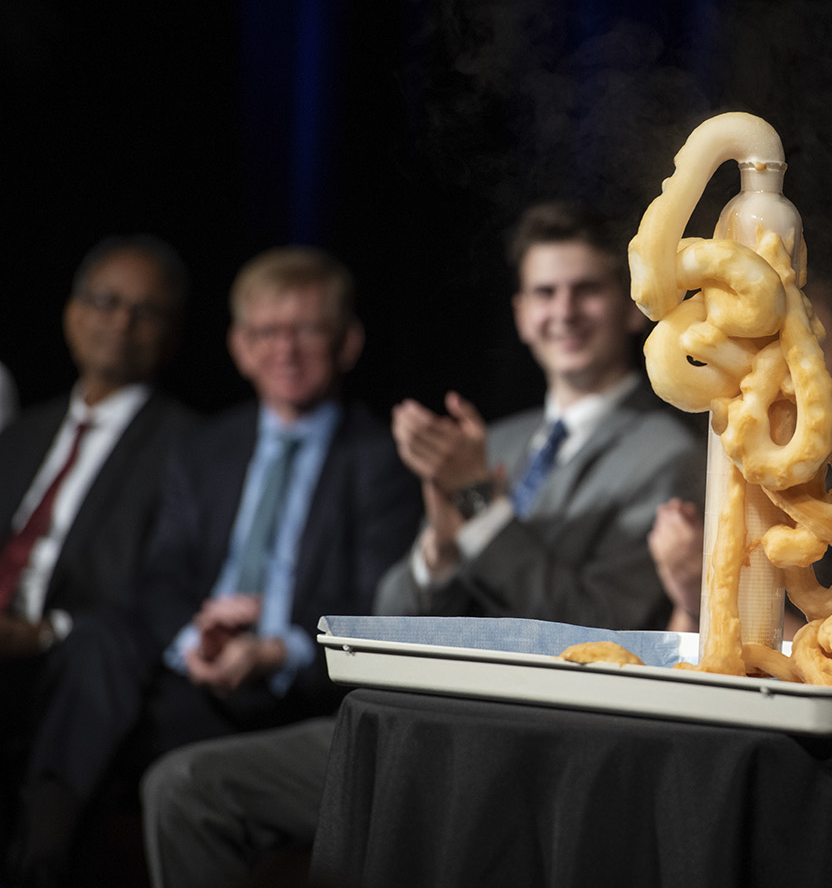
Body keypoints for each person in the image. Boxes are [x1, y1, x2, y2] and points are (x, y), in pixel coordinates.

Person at [139, 201, 706, 888]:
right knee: (184, 786)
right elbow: (394, 610)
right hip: (417, 718)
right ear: (522, 314)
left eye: (587, 288)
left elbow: (593, 628)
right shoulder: (494, 441)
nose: (565, 310)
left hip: (526, 738)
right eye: (545, 292)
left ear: (632, 308)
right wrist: (439, 545)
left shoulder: (667, 453)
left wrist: (477, 506)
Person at [7, 246, 422, 888]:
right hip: (197, 673)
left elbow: (374, 605)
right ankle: (40, 858)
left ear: (347, 342)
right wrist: (195, 638)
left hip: (296, 688)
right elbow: (166, 573)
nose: (284, 350)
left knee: (106, 719)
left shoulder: (380, 462)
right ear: (239, 347)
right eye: (266, 333)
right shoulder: (206, 446)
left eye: (306, 330)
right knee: (98, 643)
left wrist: (275, 649)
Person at [0, 236, 192, 847]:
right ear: (72, 311)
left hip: (69, 653)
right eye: (105, 300)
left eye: (146, 310)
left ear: (173, 333)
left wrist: (47, 629)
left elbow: (156, 589)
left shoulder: (191, 448)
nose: (121, 321)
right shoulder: (23, 432)